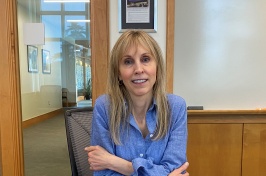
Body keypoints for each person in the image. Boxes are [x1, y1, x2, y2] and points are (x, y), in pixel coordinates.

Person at [85, 30, 189, 175]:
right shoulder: (104, 107)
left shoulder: (176, 107)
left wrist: (119, 164)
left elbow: (176, 169)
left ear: (157, 68)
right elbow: (104, 173)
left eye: (145, 59)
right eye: (128, 62)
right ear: (118, 73)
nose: (139, 69)